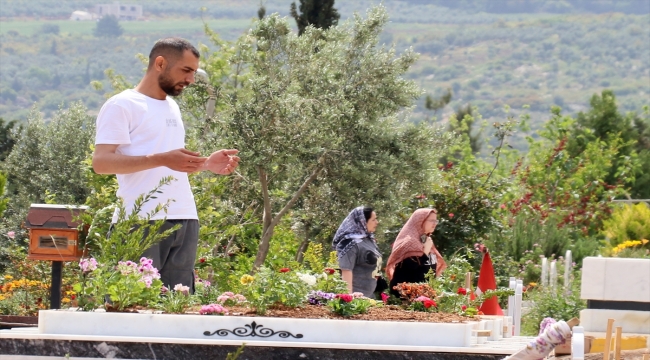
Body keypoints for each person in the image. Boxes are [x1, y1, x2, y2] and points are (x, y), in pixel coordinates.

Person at [92, 37, 240, 292]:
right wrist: (161, 158)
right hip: (139, 221)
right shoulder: (121, 105)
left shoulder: (171, 107)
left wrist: (205, 164)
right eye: (186, 70)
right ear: (160, 63)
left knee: (179, 307)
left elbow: (170, 163)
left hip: (184, 218)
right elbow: (101, 162)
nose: (191, 79)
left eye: (194, 72)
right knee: (132, 303)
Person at [385, 208, 447, 298]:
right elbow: (411, 268)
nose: (434, 223)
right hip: (405, 296)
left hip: (423, 295)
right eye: (431, 220)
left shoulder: (426, 240)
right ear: (420, 221)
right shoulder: (409, 242)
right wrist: (425, 251)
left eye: (435, 221)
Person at [332, 207, 382, 297]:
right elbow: (346, 270)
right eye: (373, 219)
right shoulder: (350, 243)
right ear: (362, 221)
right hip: (356, 299)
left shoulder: (369, 240)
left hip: (369, 298)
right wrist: (348, 298)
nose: (377, 222)